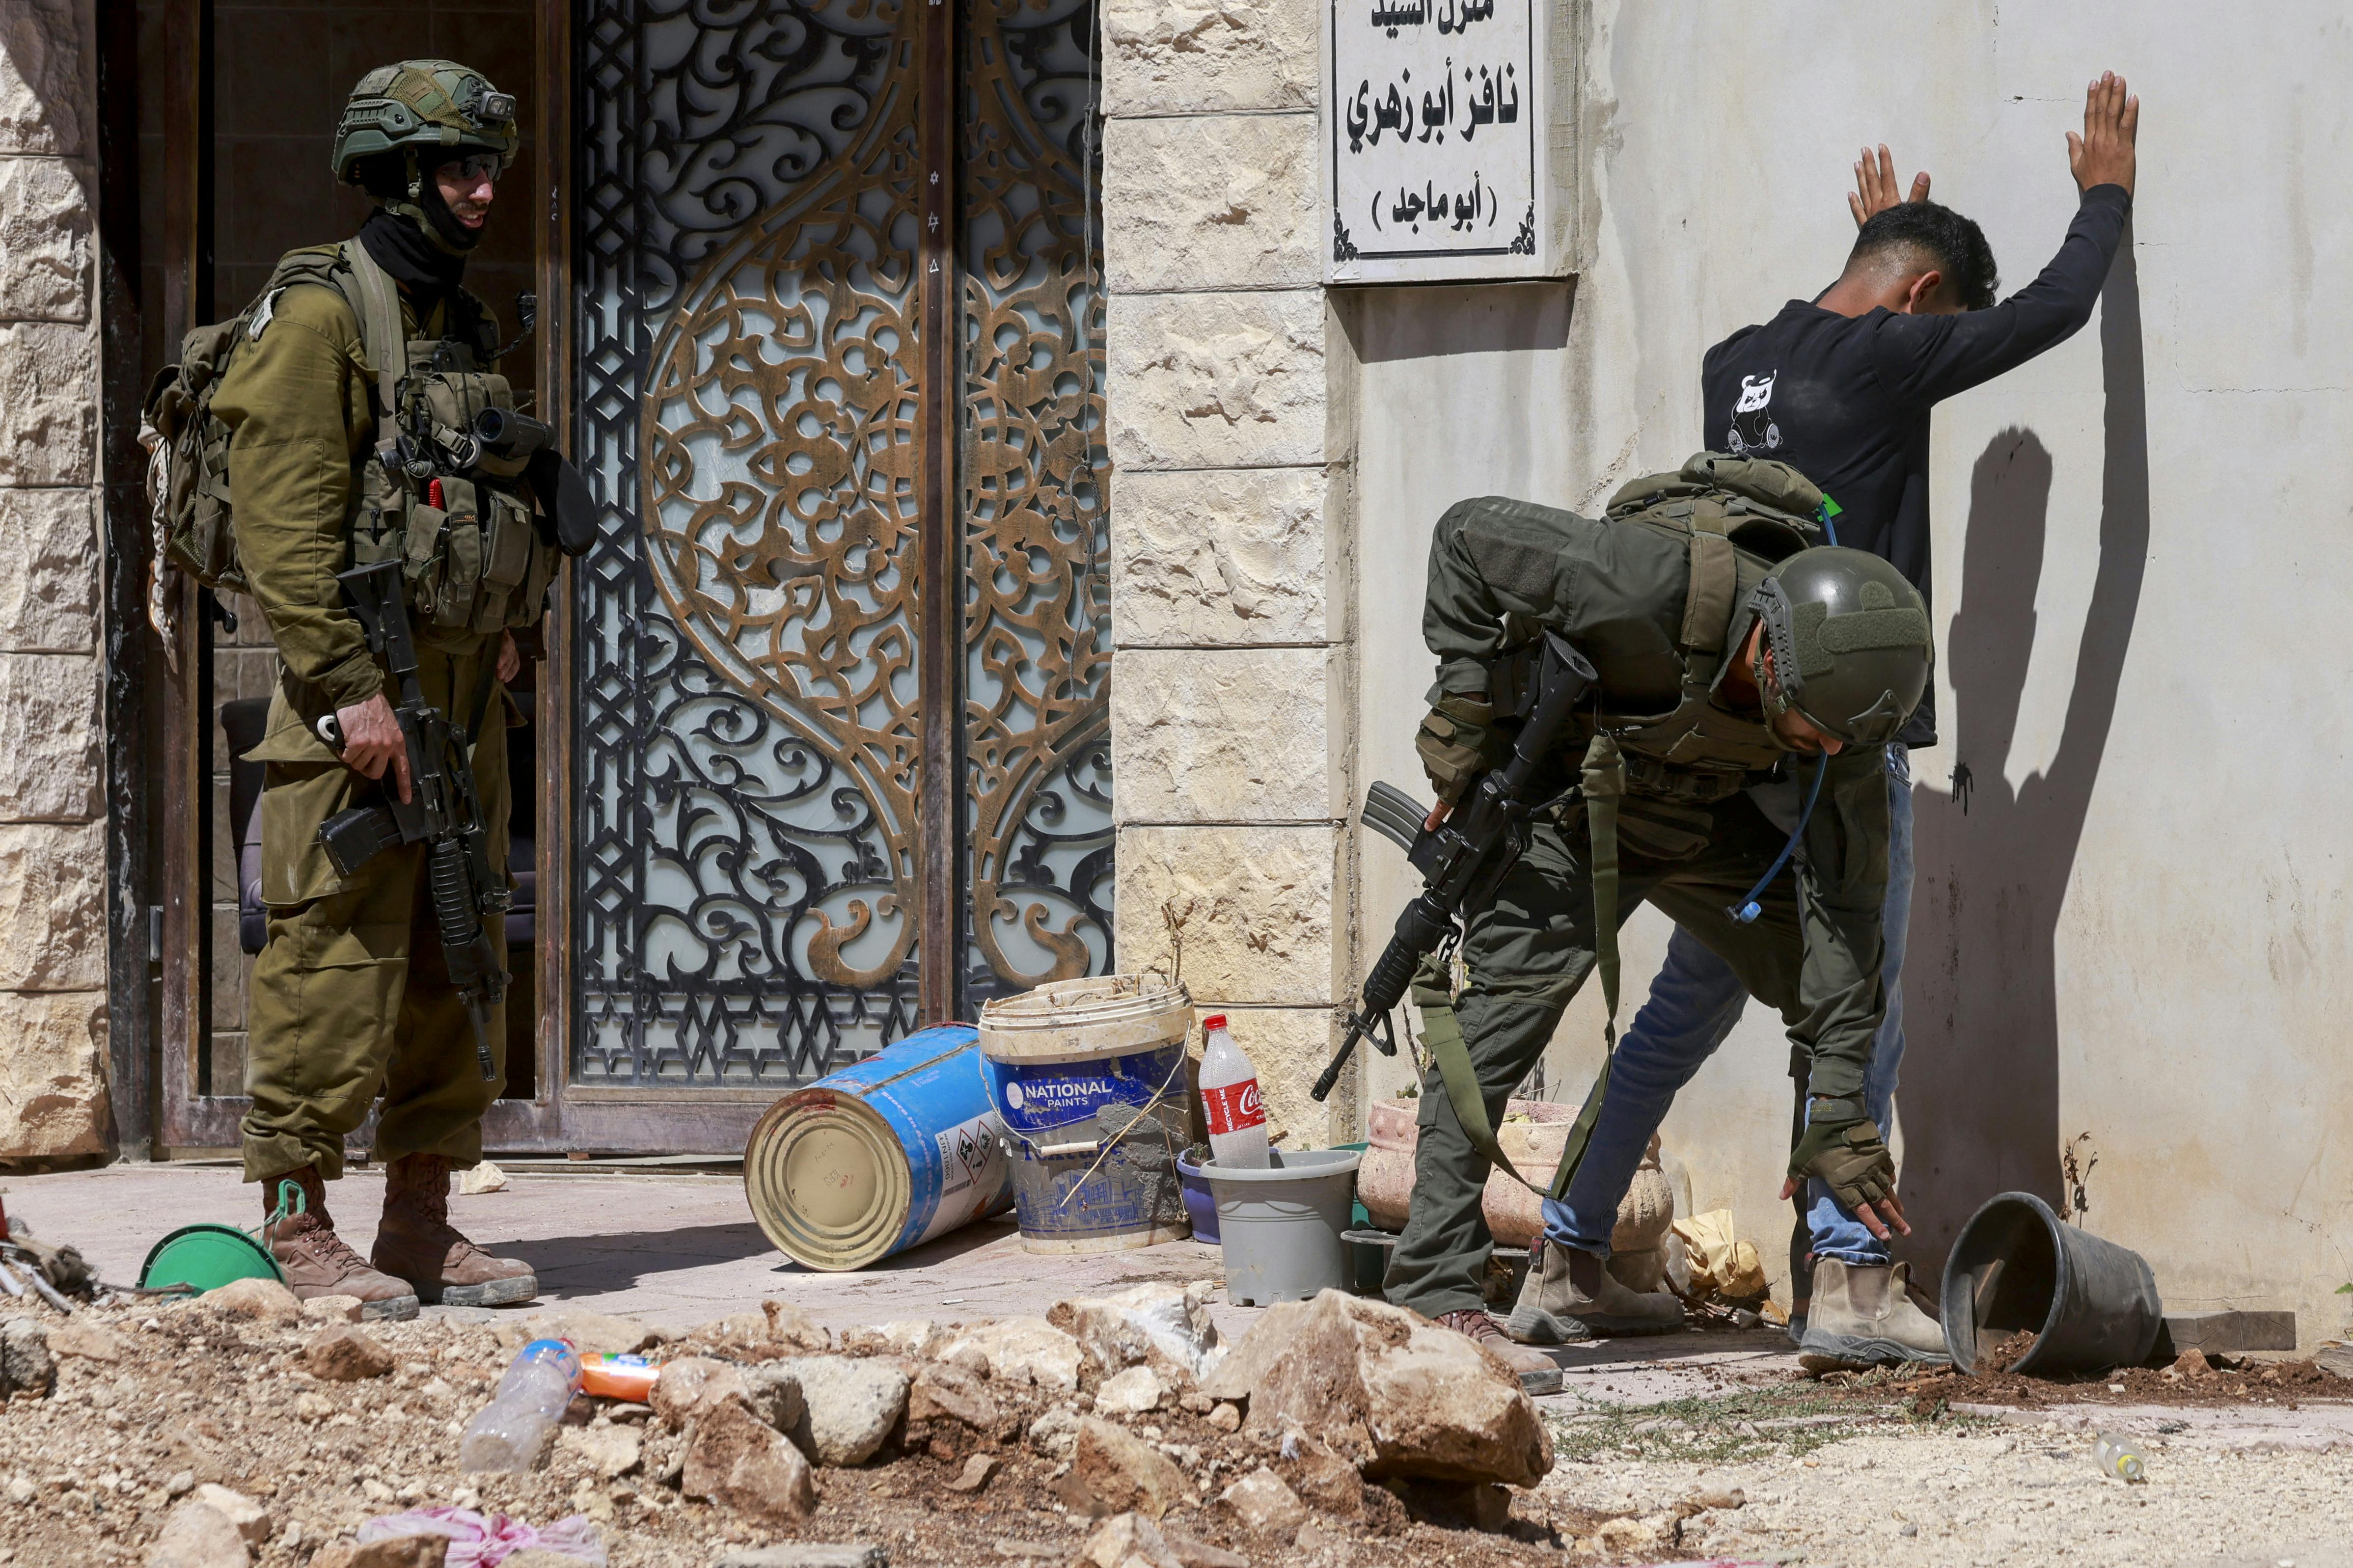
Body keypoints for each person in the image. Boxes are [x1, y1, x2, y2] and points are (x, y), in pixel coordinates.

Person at [1528, 72, 2140, 1371]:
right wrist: (2105, 198)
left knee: (1686, 1009)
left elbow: (1843, 349)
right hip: (1840, 759)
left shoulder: (1737, 366)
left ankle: (1575, 1252)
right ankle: (1856, 1284)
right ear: (1923, 302)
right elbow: (2058, 308)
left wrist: (1889, 244)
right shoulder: (1893, 355)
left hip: (1730, 757)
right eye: (1937, 319)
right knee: (1862, 999)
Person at [1379, 457, 1932, 1384]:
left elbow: (1846, 915)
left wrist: (1839, 1103)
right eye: (1813, 732)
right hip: (1579, 802)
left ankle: (1834, 1285)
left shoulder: (1844, 720)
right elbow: (1466, 536)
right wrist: (1464, 723)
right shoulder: (1647, 582)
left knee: (1836, 990)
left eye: (1841, 741)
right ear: (1767, 651)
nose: (1828, 751)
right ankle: (1438, 1295)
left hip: (1708, 820)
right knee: (1493, 1028)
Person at [215, 60, 559, 1316]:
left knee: (454, 952)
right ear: (397, 173)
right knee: (330, 951)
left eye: (486, 170)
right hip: (353, 700)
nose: (478, 192)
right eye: (455, 169)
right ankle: (297, 1223)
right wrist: (352, 689)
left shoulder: (455, 322)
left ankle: (420, 1217)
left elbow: (476, 500)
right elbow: (286, 533)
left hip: (464, 694)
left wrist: (506, 625)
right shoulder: (319, 316)